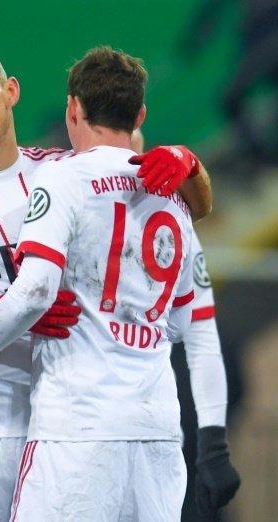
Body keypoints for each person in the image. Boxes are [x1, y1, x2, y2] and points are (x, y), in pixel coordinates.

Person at [0, 44, 213, 521]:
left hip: (61, 424)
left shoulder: (62, 171)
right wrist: (8, 309)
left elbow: (191, 207)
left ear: (10, 91)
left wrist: (189, 162)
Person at [132, 129, 241, 518]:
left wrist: (211, 445)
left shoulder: (175, 224)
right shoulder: (69, 200)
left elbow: (205, 339)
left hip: (173, 454)